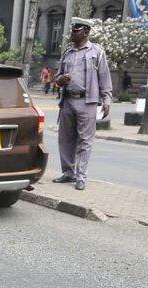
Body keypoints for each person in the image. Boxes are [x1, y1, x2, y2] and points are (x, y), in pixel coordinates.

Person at [52, 17, 112, 191]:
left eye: (75, 31)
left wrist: (106, 99)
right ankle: (68, 172)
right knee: (65, 139)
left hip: (87, 101)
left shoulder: (96, 52)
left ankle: (81, 176)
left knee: (85, 140)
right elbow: (57, 76)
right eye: (72, 30)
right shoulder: (68, 53)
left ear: (86, 32)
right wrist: (60, 80)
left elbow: (104, 77)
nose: (72, 33)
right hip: (68, 100)